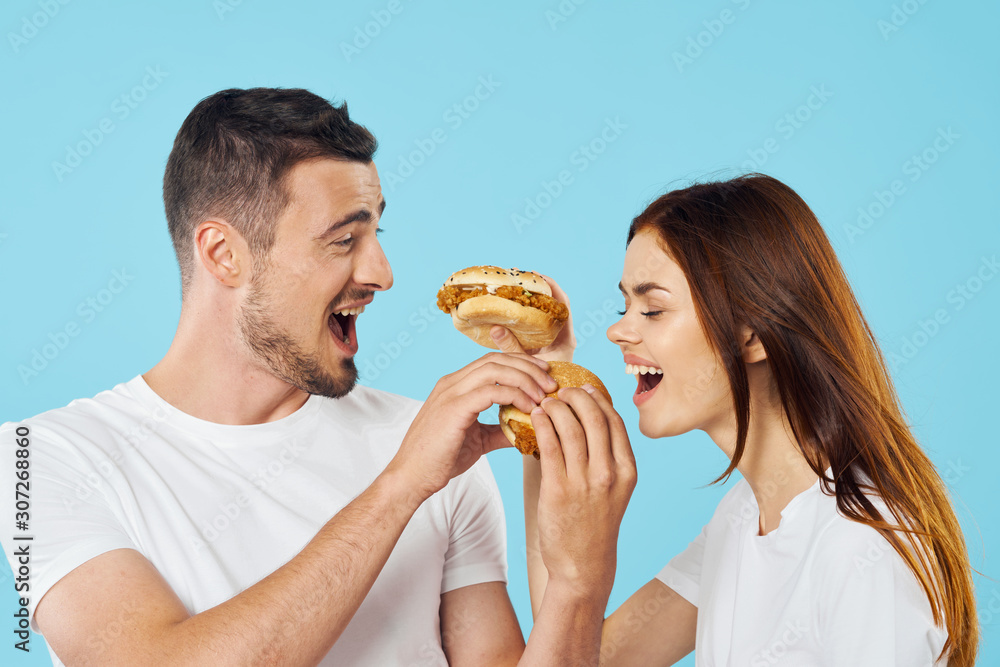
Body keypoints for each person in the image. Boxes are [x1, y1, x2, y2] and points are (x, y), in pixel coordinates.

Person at [0, 87, 635, 666]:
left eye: (377, 232)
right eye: (342, 241)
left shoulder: (435, 442)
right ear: (224, 254)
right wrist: (402, 485)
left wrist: (577, 577)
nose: (382, 273)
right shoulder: (38, 458)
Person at [493, 174, 979, 665]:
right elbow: (582, 652)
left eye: (653, 309)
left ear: (752, 334)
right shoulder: (743, 518)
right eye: (626, 305)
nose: (618, 330)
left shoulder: (862, 549)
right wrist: (542, 400)